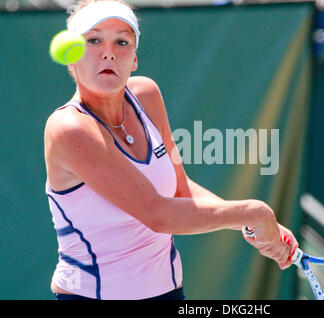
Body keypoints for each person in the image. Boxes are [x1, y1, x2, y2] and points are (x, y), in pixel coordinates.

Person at [45, 0, 299, 300]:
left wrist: (252, 223)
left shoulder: (146, 95)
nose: (109, 52)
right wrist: (254, 213)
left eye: (122, 41)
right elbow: (158, 214)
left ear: (134, 58)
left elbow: (181, 189)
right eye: (94, 40)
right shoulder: (69, 128)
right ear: (72, 56)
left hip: (169, 292)